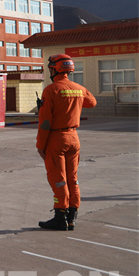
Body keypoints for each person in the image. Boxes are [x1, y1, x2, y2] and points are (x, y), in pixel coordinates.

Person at [36, 54, 97, 231]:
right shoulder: (78, 88)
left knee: (59, 179)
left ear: (55, 69)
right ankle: (72, 218)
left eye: (50, 69)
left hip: (57, 139)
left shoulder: (51, 90)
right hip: (74, 138)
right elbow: (92, 102)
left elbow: (45, 123)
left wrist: (40, 145)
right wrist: (76, 94)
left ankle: (60, 217)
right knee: (72, 179)